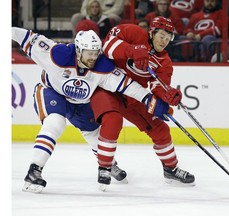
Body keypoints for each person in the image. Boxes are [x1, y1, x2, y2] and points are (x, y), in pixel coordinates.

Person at [12, 27, 170, 193]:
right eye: (89, 53)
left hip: (80, 102)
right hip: (52, 92)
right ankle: (33, 171)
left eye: (96, 53)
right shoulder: (56, 54)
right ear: (78, 50)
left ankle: (110, 164)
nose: (93, 57)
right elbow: (25, 36)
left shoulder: (103, 66)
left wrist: (149, 100)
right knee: (55, 123)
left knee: (95, 134)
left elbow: (128, 86)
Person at [90, 16, 195, 189]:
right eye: (161, 36)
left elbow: (157, 86)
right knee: (112, 122)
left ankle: (170, 168)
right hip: (107, 87)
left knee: (160, 129)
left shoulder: (165, 62)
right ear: (152, 32)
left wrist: (168, 95)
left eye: (168, 38)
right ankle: (105, 167)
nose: (164, 41)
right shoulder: (134, 32)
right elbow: (107, 45)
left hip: (133, 95)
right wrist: (131, 50)